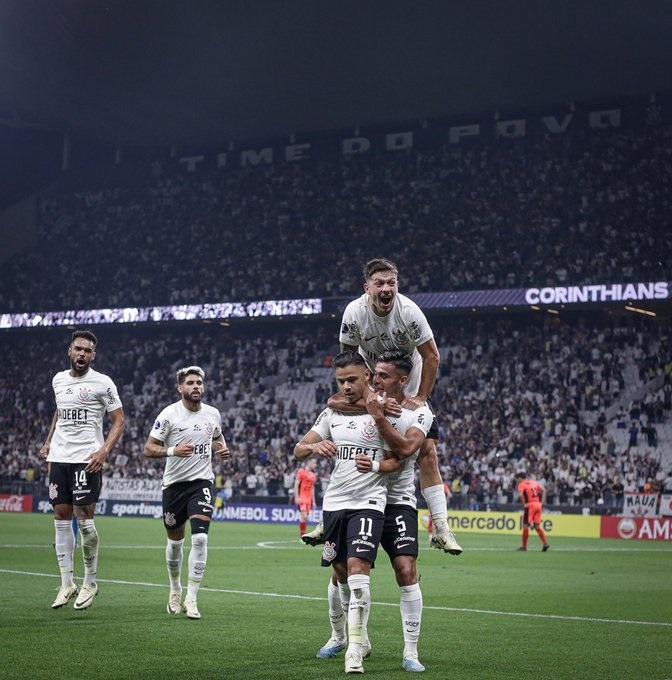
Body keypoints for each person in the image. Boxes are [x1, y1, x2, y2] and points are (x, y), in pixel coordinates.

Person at [311, 257, 461, 555]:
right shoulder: (354, 313)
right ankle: (327, 519)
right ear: (367, 288)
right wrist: (363, 395)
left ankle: (441, 529)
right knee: (352, 444)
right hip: (372, 383)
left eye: (391, 282)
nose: (386, 288)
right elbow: (348, 360)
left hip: (408, 384)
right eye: (379, 283)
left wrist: (419, 397)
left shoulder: (410, 313)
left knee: (428, 454)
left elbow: (432, 357)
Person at [295, 351, 425, 675]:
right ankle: (352, 638)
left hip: (370, 501)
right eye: (341, 381)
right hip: (335, 503)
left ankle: (354, 651)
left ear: (367, 376)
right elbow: (298, 448)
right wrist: (314, 447)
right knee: (339, 573)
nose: (346, 386)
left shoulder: (384, 412)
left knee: (357, 573)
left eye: (352, 379)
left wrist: (377, 465)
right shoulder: (330, 414)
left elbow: (400, 457)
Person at [39, 329, 125, 610]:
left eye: (87, 351)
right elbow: (59, 411)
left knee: (84, 520)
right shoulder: (58, 380)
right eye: (78, 349)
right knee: (60, 517)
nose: (82, 354)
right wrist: (49, 440)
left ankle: (90, 581)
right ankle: (66, 583)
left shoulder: (102, 383)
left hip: (86, 458)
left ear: (93, 355)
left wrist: (104, 451)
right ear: (69, 350)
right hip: (60, 457)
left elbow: (119, 421)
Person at [144, 365, 229, 619]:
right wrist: (173, 451)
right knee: (175, 543)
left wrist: (221, 448)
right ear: (180, 387)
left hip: (201, 483)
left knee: (200, 539)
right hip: (173, 486)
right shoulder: (169, 415)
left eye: (199, 383)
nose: (196, 387)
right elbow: (149, 449)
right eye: (190, 383)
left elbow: (217, 437)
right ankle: (174, 588)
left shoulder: (213, 414)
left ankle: (191, 598)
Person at [516, 472, 549, 551]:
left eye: (517, 479)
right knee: (537, 526)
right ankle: (545, 543)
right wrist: (542, 503)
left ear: (520, 478)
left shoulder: (521, 484)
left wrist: (524, 504)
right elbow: (544, 491)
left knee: (525, 526)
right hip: (538, 505)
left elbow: (520, 495)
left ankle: (524, 546)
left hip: (530, 506)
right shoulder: (534, 482)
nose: (517, 480)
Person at [294, 457, 317, 538]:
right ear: (309, 462)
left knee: (305, 518)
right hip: (302, 498)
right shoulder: (301, 472)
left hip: (309, 500)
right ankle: (303, 536)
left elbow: (312, 488)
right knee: (303, 516)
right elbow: (296, 484)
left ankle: (302, 535)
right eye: (314, 463)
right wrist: (296, 497)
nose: (315, 465)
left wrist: (313, 501)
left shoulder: (313, 475)